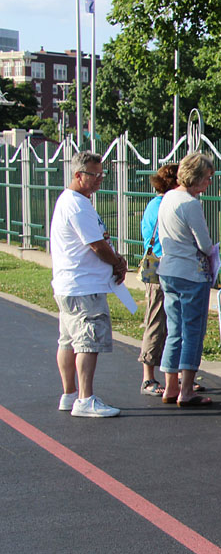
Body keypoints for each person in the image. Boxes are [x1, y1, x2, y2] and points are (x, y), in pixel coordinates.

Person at [51, 150, 126, 418]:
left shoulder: (70, 201)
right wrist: (117, 262)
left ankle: (70, 394)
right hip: (83, 287)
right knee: (86, 342)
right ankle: (84, 398)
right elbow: (96, 245)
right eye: (94, 175)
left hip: (69, 283)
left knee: (68, 341)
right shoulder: (78, 205)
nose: (99, 180)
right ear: (78, 175)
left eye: (101, 174)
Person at [157, 152, 217, 407]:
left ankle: (171, 386)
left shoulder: (169, 197)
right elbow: (203, 243)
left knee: (174, 330)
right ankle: (187, 389)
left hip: (168, 269)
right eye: (206, 178)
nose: (208, 183)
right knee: (193, 331)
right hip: (191, 272)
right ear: (196, 178)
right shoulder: (191, 203)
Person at [137, 163, 179, 396]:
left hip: (158, 264)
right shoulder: (163, 205)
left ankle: (169, 376)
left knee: (167, 320)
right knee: (157, 319)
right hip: (161, 265)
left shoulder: (153, 204)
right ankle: (148, 377)